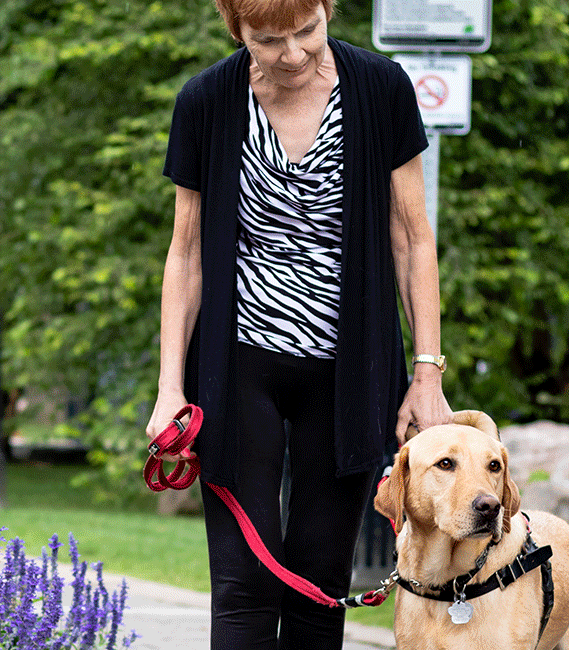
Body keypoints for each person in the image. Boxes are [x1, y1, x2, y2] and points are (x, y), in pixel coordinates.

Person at [144, 0, 453, 647]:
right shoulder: (206, 101)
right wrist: (171, 388)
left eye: (307, 30)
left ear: (328, 9)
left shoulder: (380, 89)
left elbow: (412, 238)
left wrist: (427, 371)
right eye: (268, 40)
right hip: (236, 366)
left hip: (349, 371)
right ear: (237, 30)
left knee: (319, 580)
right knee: (244, 583)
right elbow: (188, 251)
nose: (293, 54)